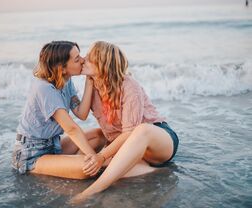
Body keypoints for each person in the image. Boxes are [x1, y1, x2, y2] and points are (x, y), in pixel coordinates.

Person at [74, 41, 179, 201]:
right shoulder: (94, 84)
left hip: (157, 140)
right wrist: (89, 81)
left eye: (89, 58)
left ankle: (92, 191)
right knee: (92, 140)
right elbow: (82, 114)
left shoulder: (129, 86)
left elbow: (130, 133)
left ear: (102, 64)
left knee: (141, 130)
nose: (83, 59)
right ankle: (154, 171)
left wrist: (101, 155)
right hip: (129, 146)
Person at [12, 41, 106, 179]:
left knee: (99, 136)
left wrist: (89, 80)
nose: (83, 60)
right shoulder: (44, 88)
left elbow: (81, 113)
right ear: (61, 68)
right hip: (32, 153)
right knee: (85, 169)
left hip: (53, 145)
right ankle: (78, 166)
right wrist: (94, 158)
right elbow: (71, 129)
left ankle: (71, 166)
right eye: (77, 59)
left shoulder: (65, 80)